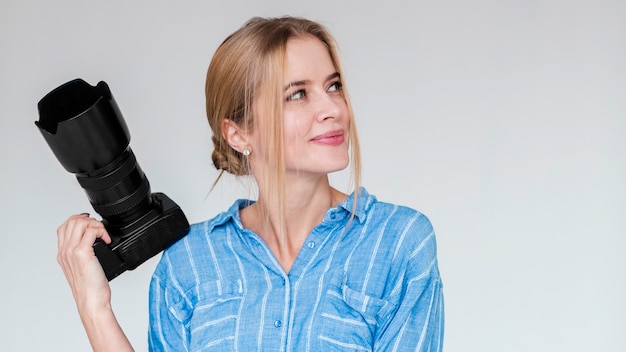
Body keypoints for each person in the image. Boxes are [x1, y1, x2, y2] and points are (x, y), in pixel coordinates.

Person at [56, 16, 444, 351]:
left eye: (334, 86)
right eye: (298, 95)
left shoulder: (398, 244)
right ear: (238, 134)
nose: (332, 109)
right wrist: (94, 306)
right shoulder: (188, 262)